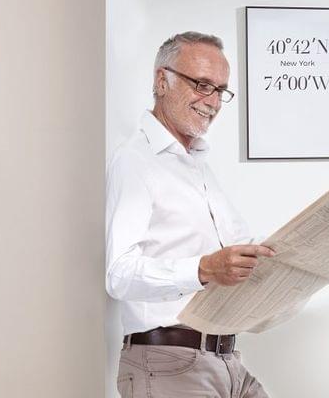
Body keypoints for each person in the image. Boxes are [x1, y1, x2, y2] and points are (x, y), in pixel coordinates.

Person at [106, 31, 276, 398]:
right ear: (161, 80)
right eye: (201, 85)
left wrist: (320, 250)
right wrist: (204, 269)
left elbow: (241, 249)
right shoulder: (134, 161)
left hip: (227, 360)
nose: (212, 101)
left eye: (220, 90)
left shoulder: (198, 166)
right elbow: (118, 274)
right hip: (168, 363)